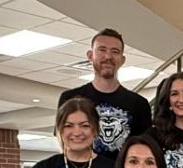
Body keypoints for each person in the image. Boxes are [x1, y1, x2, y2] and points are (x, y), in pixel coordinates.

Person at [59, 28, 152, 159]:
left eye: (115, 51)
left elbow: (142, 151)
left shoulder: (139, 104)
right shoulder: (70, 99)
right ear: (90, 55)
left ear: (122, 60)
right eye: (102, 50)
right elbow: (64, 142)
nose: (108, 56)